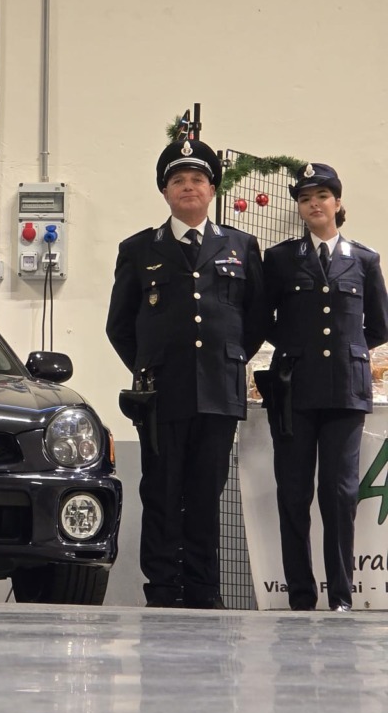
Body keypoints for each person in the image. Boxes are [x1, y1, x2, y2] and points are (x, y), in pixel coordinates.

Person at [106, 135, 267, 608]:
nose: (188, 186)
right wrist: (149, 368)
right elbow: (120, 326)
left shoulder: (241, 246)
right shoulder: (139, 249)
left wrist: (228, 359)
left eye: (198, 178)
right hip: (162, 394)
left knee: (205, 496)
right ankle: (161, 591)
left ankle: (202, 592)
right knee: (161, 493)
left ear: (212, 189)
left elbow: (256, 319)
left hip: (219, 392)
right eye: (178, 180)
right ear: (165, 191)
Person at [262, 163, 388, 611]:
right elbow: (262, 318)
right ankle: (300, 595)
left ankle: (340, 596)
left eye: (321, 196)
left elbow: (380, 326)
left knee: (339, 494)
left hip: (344, 391)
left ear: (337, 203)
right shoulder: (280, 259)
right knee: (293, 493)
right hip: (293, 388)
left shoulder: (364, 260)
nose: (313, 204)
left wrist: (347, 351)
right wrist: (297, 348)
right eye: (305, 198)